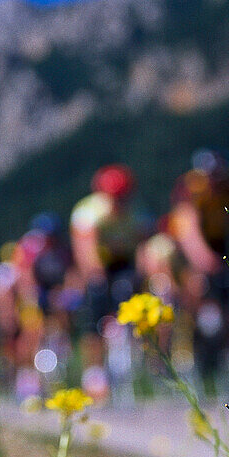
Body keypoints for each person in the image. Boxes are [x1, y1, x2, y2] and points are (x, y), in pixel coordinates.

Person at [144, 150, 229, 389]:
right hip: (183, 248)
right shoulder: (192, 187)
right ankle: (171, 354)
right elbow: (189, 232)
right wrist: (203, 262)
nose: (215, 183)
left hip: (217, 243)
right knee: (191, 290)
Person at [70, 164, 152, 399]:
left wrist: (143, 276)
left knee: (131, 295)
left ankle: (136, 360)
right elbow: (86, 252)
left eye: (123, 197)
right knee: (95, 308)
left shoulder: (137, 213)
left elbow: (143, 250)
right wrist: (96, 277)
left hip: (124, 264)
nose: (119, 202)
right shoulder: (87, 212)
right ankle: (94, 373)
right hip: (98, 264)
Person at [0, 214, 79, 397]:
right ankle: (22, 374)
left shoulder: (61, 250)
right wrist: (17, 311)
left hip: (45, 289)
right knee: (27, 329)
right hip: (21, 292)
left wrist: (68, 296)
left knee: (61, 319)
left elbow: (70, 274)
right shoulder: (28, 249)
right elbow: (25, 280)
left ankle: (58, 363)